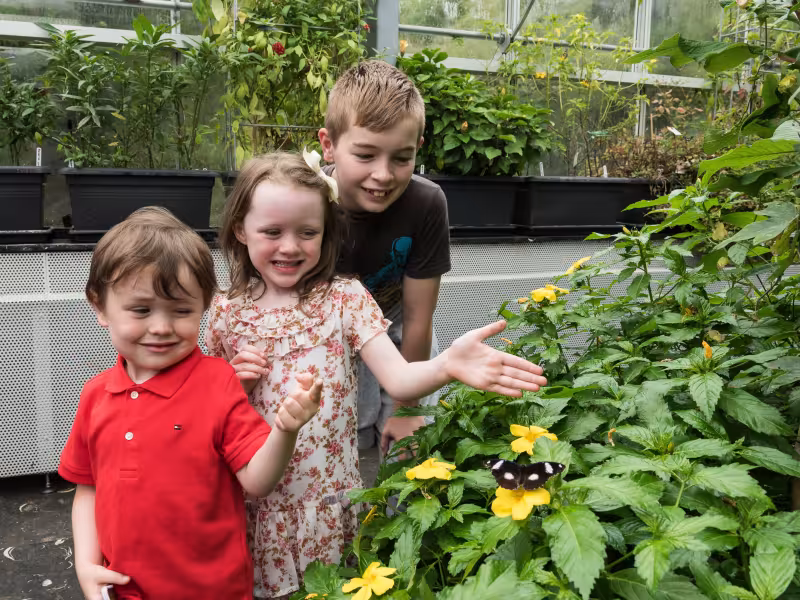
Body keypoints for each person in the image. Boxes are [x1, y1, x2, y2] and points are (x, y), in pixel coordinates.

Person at [206, 151, 547, 598]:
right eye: (272, 232)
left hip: (326, 507)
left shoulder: (345, 299)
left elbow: (398, 379)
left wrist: (448, 365)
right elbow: (208, 410)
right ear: (239, 230)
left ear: (325, 232)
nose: (290, 246)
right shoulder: (225, 312)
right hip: (254, 507)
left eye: (307, 232)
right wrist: (232, 386)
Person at [58, 207, 322, 600]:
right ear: (99, 306)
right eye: (141, 310)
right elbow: (88, 489)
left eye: (182, 311)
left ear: (203, 307)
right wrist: (86, 564)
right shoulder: (95, 395)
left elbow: (257, 480)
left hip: (215, 590)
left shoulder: (217, 382)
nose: (162, 327)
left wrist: (285, 429)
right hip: (125, 591)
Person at [318, 60, 450, 458]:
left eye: (401, 158)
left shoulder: (427, 203)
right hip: (332, 338)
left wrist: (407, 407)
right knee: (346, 441)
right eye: (365, 155)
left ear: (417, 150)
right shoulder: (310, 202)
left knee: (408, 445)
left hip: (400, 334)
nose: (383, 174)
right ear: (329, 145)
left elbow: (418, 316)